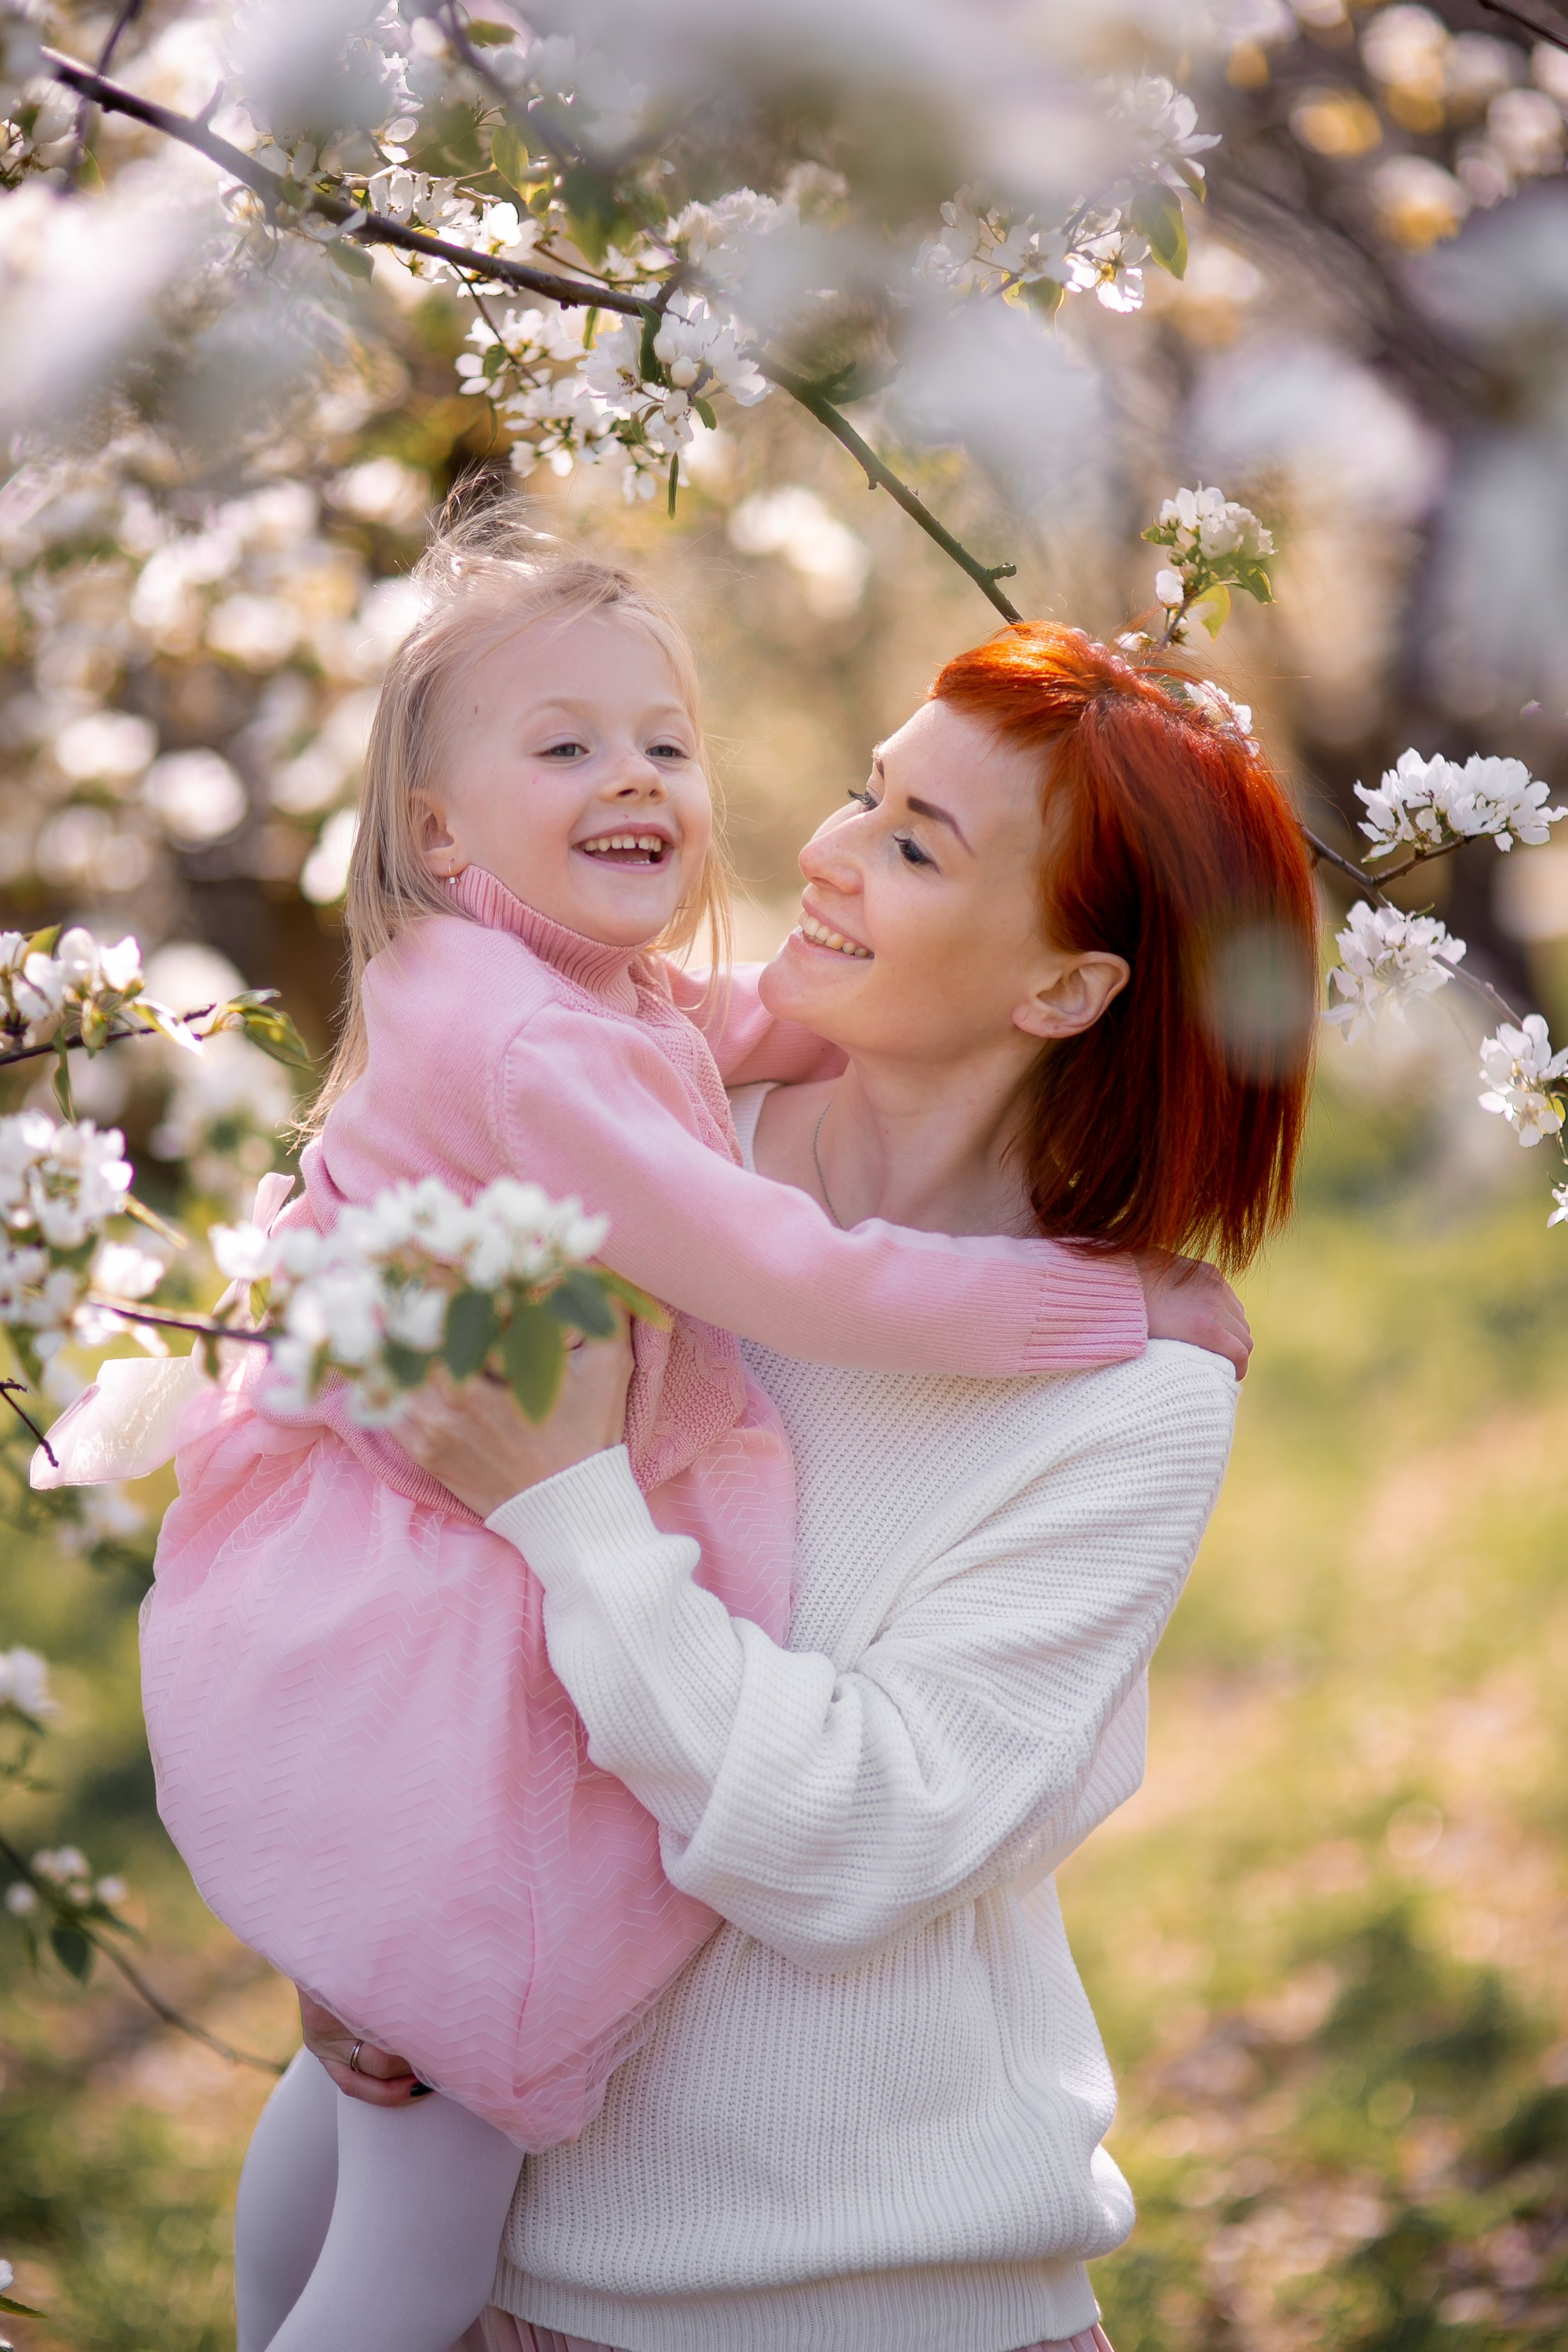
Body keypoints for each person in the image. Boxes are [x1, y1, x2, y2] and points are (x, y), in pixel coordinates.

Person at [127, 515, 1237, 2352]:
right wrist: (367, 1926)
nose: (820, 847)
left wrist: (567, 1501)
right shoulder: (631, 1144)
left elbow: (843, 1839)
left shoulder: (1126, 1399)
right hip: (506, 2281)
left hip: (862, 2301)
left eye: (910, 839)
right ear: (439, 830)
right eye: (863, 793)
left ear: (1063, 989)